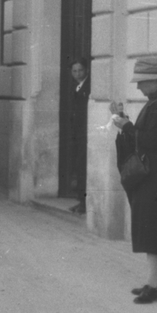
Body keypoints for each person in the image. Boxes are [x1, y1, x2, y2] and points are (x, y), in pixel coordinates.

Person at [112, 56, 157, 304]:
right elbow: (148, 135)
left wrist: (126, 125)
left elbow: (149, 140)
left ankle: (153, 285)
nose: (138, 87)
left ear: (153, 80)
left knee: (152, 227)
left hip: (156, 176)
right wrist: (125, 121)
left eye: (141, 82)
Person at [67, 59, 90, 214]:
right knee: (78, 166)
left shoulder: (87, 87)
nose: (77, 74)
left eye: (80, 70)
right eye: (74, 71)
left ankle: (84, 203)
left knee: (83, 166)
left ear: (86, 70)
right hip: (78, 133)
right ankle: (81, 201)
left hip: (85, 133)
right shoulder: (76, 87)